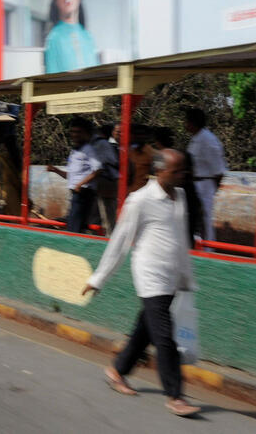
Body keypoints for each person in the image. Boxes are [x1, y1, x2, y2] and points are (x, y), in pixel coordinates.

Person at [82, 149, 201, 418]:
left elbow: (180, 239)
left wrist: (185, 276)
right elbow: (120, 242)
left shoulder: (179, 195)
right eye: (177, 171)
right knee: (164, 337)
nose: (183, 175)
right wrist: (98, 278)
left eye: (184, 170)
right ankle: (176, 396)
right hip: (150, 274)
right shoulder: (140, 200)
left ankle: (117, 371)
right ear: (160, 170)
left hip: (171, 276)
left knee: (145, 330)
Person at [47, 117, 102, 233]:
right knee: (74, 226)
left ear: (87, 134)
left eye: (78, 132)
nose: (74, 135)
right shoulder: (75, 151)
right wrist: (56, 170)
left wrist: (80, 184)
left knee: (74, 228)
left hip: (84, 194)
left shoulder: (89, 150)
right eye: (72, 131)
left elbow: (98, 170)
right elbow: (72, 176)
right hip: (77, 194)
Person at [154, 127, 202, 247]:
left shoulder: (160, 159)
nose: (180, 175)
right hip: (189, 201)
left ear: (157, 142)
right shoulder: (184, 156)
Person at [185, 108, 226, 244]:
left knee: (206, 219)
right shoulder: (195, 139)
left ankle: (209, 250)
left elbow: (219, 170)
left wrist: (212, 189)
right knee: (195, 218)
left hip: (205, 184)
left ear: (192, 123)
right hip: (194, 184)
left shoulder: (208, 140)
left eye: (187, 121)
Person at [91, 125, 118, 235]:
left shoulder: (92, 143)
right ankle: (109, 237)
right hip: (106, 182)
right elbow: (114, 161)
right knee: (107, 213)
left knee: (97, 213)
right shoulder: (104, 144)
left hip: (96, 182)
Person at [0, 138, 21, 216]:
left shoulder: (0, 158)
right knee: (16, 216)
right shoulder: (16, 158)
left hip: (2, 190)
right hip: (15, 190)